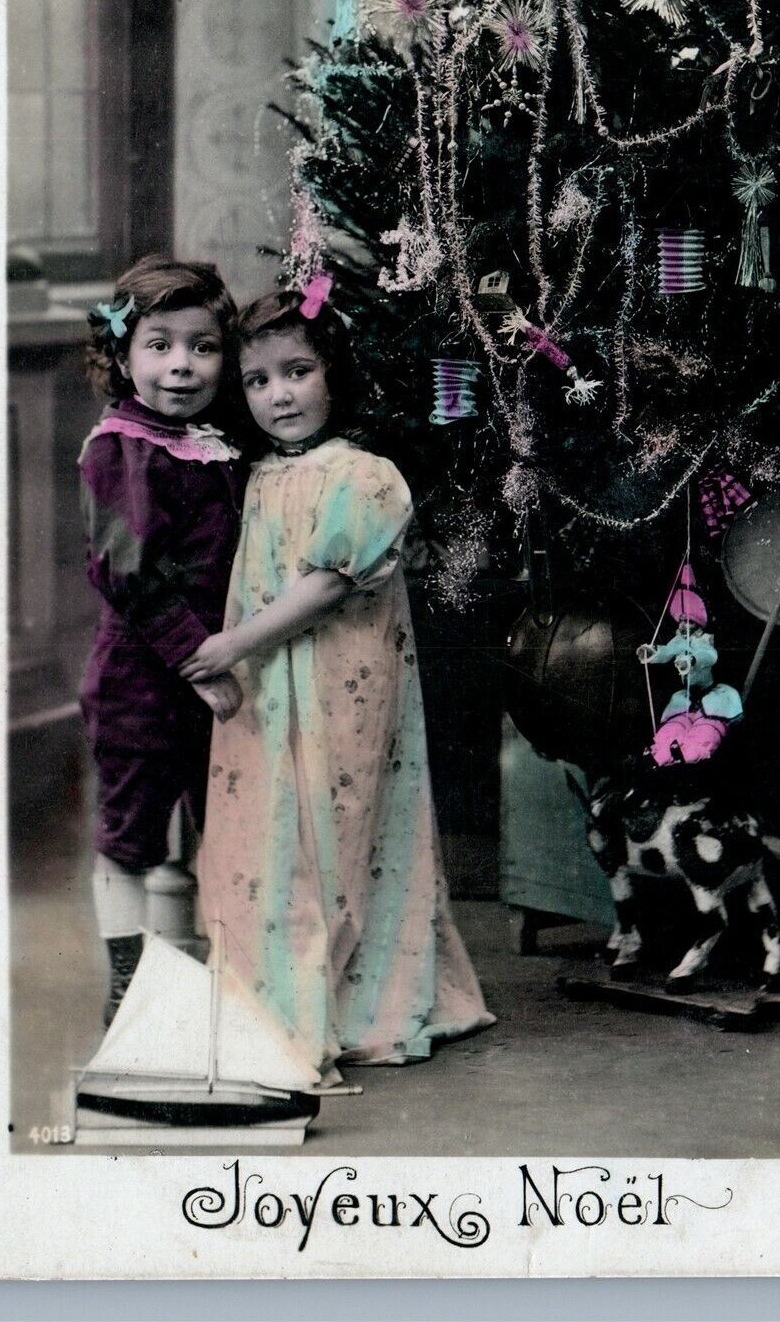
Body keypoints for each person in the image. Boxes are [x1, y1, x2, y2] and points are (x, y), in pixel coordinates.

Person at [184, 283, 495, 1075]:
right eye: (258, 380)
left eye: (297, 372)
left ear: (333, 374)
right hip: (267, 686)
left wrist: (232, 645)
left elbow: (325, 585)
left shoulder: (364, 475)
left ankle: (357, 999)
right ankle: (276, 996)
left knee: (340, 824)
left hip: (339, 684)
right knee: (271, 832)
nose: (278, 394)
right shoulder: (261, 475)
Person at [79, 255, 244, 1026]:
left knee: (224, 822)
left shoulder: (211, 441)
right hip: (142, 679)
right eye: (159, 344)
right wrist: (193, 656)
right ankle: (126, 989)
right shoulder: (120, 447)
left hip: (215, 675)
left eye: (202, 347)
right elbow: (126, 571)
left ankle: (221, 981)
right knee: (131, 836)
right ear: (122, 355)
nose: (182, 365)